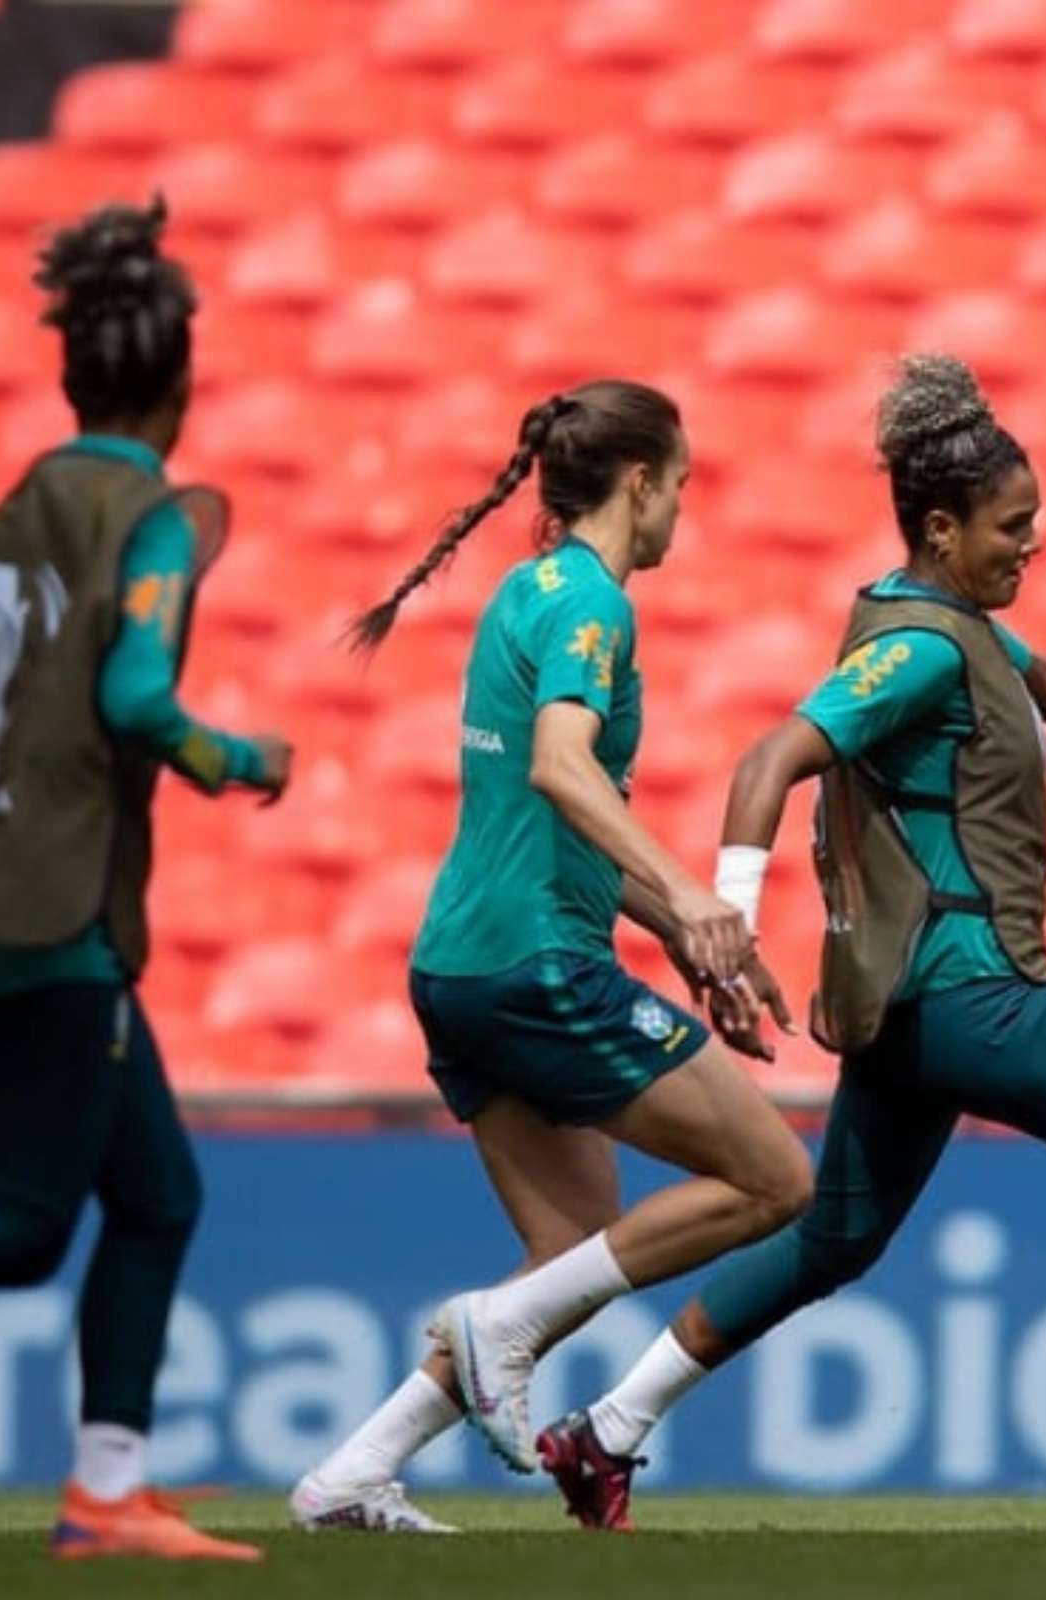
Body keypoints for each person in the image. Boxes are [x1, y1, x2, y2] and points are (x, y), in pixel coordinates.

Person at [537, 352, 1046, 1530]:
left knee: (831, 1240)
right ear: (942, 529)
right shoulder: (924, 648)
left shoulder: (953, 629)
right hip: (984, 1005)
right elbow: (771, 760)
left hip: (909, 1025)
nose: (1032, 543)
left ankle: (606, 1431)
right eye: (1013, 525)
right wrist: (725, 922)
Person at [290, 379, 812, 1533]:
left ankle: (352, 1474)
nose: (681, 509)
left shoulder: (522, 593)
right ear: (639, 484)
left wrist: (689, 935)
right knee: (777, 1180)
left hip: (458, 965)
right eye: (678, 485)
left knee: (564, 1253)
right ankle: (493, 1335)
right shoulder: (594, 607)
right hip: (536, 964)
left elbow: (555, 820)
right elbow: (561, 770)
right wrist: (691, 891)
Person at [0, 197, 292, 1562]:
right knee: (21, 1236)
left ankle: (104, 1491)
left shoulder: (23, 507)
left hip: (15, 884)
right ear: (181, 389)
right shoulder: (157, 515)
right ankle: (104, 1495)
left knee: (159, 1193)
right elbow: (131, 691)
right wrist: (237, 757)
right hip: (60, 913)